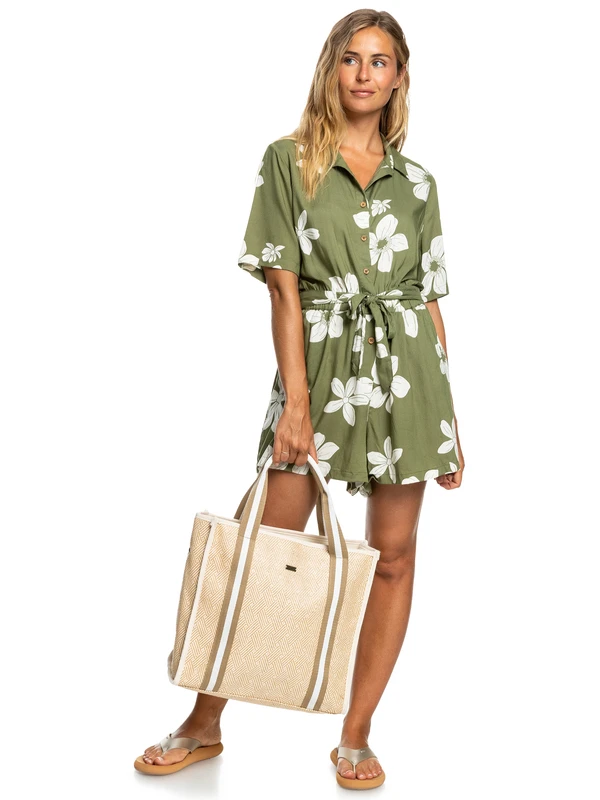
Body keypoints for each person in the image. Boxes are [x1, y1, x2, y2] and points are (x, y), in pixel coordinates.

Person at [135, 8, 465, 791]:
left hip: (409, 381)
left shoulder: (419, 183)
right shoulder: (290, 162)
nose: (364, 73)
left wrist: (450, 420)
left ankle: (355, 736)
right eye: (351, 58)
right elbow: (283, 293)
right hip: (319, 374)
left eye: (379, 61)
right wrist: (295, 405)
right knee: (263, 545)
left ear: (399, 77)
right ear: (331, 68)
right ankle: (203, 721)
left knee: (394, 559)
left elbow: (425, 300)